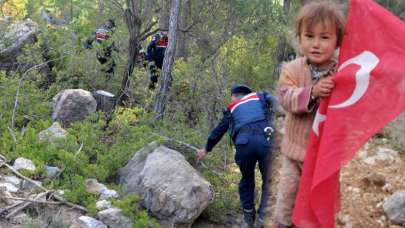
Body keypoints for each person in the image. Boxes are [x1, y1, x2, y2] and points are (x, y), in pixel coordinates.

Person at [274, 1, 345, 228]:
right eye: (309, 36)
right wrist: (312, 92)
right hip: (295, 153)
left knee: (320, 200)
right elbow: (285, 97)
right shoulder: (292, 69)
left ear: (338, 40)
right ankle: (283, 224)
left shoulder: (342, 72)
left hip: (325, 157)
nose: (316, 44)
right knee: (288, 195)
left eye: (325, 37)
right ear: (299, 37)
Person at [197, 85, 277, 228]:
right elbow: (279, 103)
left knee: (247, 180)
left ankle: (248, 219)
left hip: (244, 143)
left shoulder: (233, 108)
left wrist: (206, 149)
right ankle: (263, 219)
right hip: (267, 141)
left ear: (236, 96)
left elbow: (219, 130)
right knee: (269, 181)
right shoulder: (260, 96)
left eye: (231, 96)